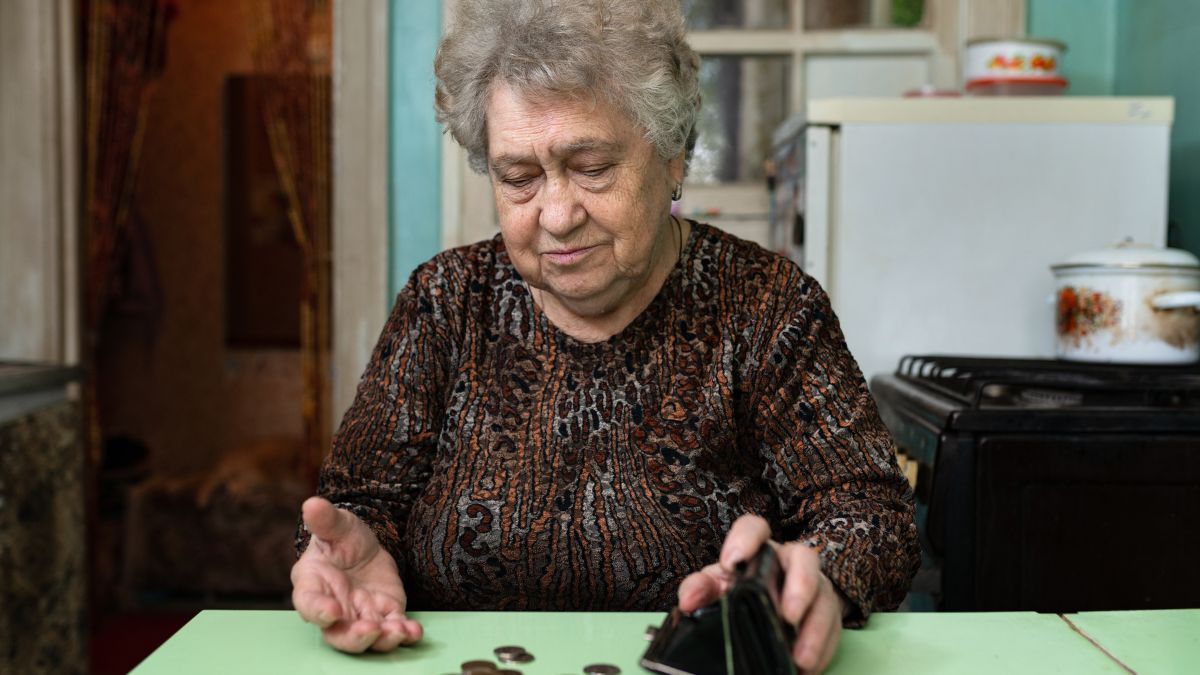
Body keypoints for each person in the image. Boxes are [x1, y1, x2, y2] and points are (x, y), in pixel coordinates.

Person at [290, 0, 919, 671]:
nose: (556, 215)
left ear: (674, 156)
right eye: (520, 177)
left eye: (592, 166)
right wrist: (349, 556)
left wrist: (815, 574)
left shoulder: (768, 306)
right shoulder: (443, 303)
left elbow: (870, 511)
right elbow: (359, 507)